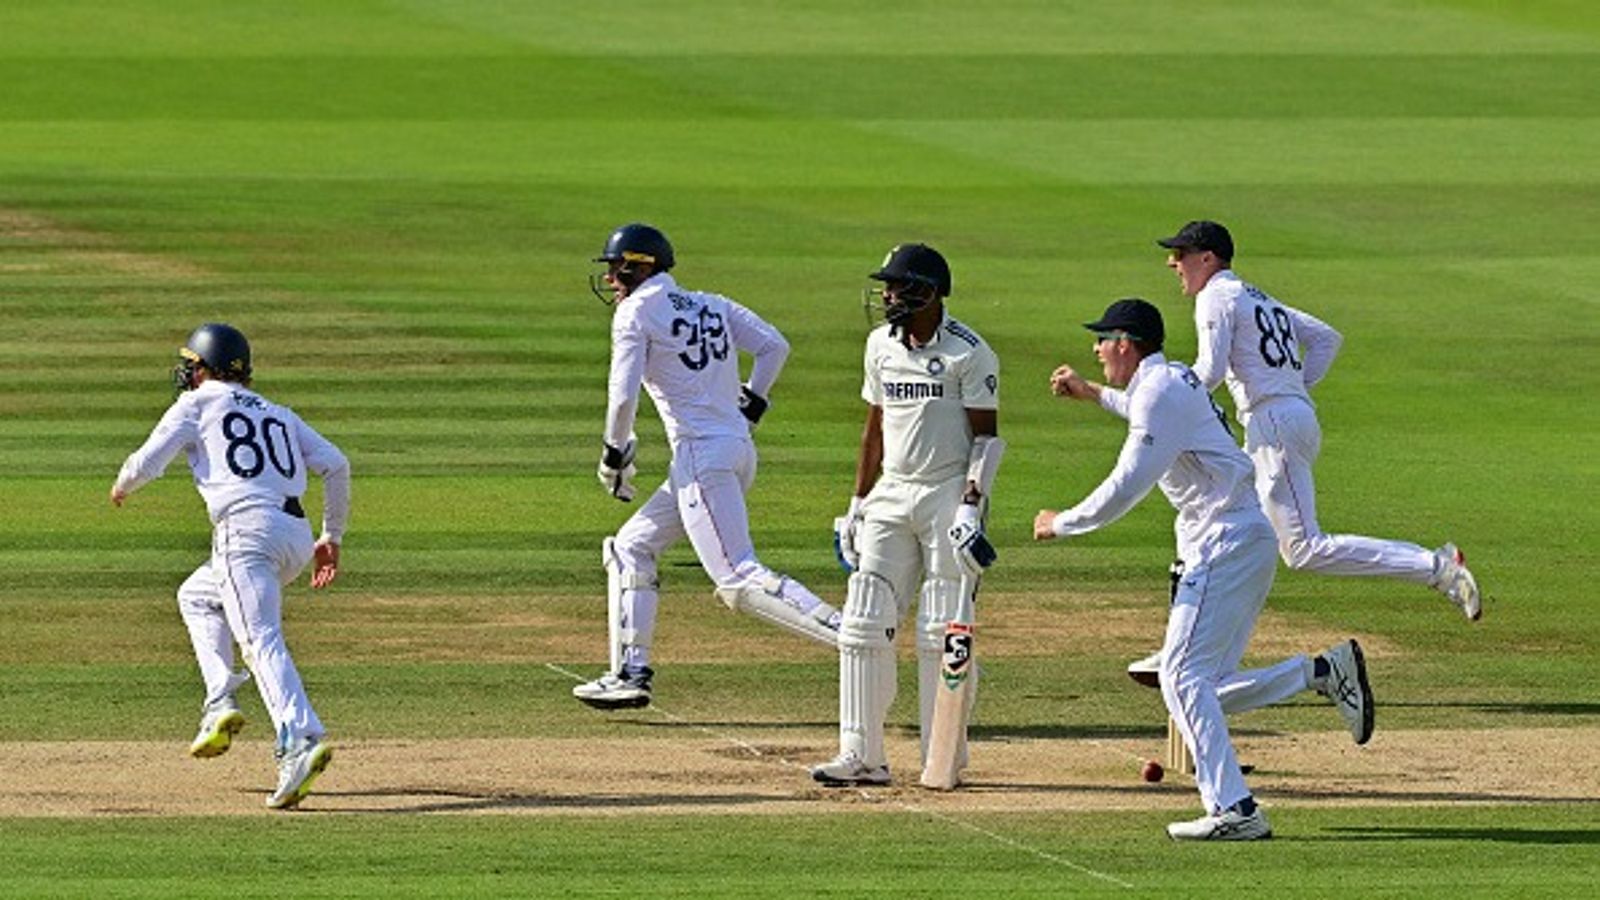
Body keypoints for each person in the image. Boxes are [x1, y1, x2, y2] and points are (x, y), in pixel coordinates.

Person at [1036, 298, 1373, 841]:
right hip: (1240, 539)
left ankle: (1235, 809)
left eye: (1102, 341)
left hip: (1224, 543)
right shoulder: (1169, 380)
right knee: (1202, 687)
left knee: (1182, 678)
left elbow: (1128, 483)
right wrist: (1093, 393)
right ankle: (1321, 673)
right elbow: (1147, 414)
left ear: (1125, 343)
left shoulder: (1159, 391)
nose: (1096, 350)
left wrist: (1062, 522)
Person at [576, 223, 842, 710]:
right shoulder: (711, 303)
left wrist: (614, 454)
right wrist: (753, 401)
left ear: (640, 268)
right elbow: (774, 346)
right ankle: (630, 673)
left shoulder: (636, 312)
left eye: (617, 269)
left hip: (702, 457)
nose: (610, 279)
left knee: (738, 576)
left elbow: (623, 396)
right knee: (631, 547)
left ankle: (853, 635)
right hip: (734, 452)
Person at [1157, 219, 1481, 619]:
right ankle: (1193, 605)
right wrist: (1293, 387)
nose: (1172, 263)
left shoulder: (1215, 296)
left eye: (1180, 254)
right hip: (1286, 419)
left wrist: (1164, 399)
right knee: (1219, 509)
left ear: (1207, 258)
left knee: (1302, 548)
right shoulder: (1257, 298)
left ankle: (1437, 568)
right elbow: (1325, 338)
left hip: (1274, 425)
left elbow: (1209, 370)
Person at [110, 323, 348, 810]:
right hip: (294, 536)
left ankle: (301, 739)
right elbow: (336, 464)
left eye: (191, 363)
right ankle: (220, 699)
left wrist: (122, 486)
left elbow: (147, 461)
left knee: (259, 639)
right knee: (197, 596)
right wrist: (332, 537)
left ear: (204, 368)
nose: (186, 371)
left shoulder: (197, 403)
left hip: (245, 534)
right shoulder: (278, 413)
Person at [810, 243, 1003, 788]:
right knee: (863, 622)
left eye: (898, 287)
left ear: (930, 292)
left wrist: (971, 505)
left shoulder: (970, 353)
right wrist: (857, 502)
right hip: (892, 492)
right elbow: (874, 428)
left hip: (948, 492)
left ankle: (942, 756)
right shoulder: (879, 345)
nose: (889, 296)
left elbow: (986, 440)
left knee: (940, 629)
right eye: (887, 287)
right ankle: (861, 755)